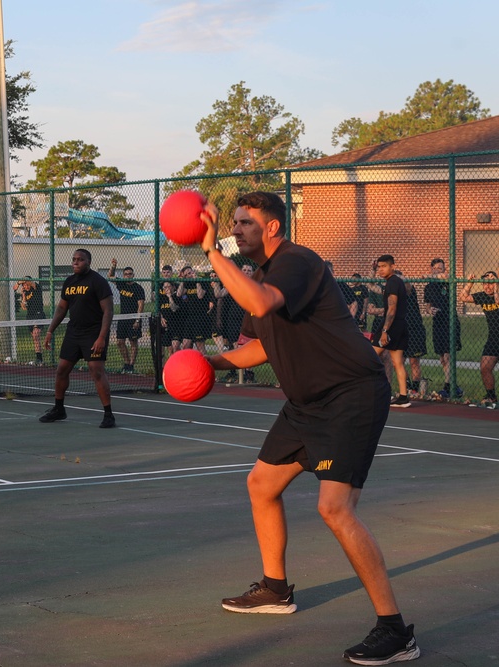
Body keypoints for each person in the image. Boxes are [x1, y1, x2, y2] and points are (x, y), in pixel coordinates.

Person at [200, 192, 419, 665]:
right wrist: (207, 365)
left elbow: (259, 300)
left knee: (335, 509)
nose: (236, 230)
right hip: (305, 403)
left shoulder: (296, 261)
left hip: (350, 394)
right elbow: (259, 348)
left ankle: (395, 631)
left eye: (245, 223)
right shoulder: (257, 276)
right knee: (261, 484)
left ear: (273, 227)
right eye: (233, 223)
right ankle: (275, 589)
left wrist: (212, 252)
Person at [39, 248, 116, 428]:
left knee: (96, 371)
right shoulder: (69, 282)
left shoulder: (98, 282)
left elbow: (108, 311)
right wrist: (50, 330)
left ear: (88, 262)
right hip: (73, 332)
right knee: (61, 370)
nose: (75, 262)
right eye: (74, 259)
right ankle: (59, 409)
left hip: (93, 333)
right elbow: (61, 309)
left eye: (80, 259)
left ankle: (108, 414)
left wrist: (102, 337)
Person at [371, 256, 411, 407]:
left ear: (392, 267)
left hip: (392, 326)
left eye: (384, 266)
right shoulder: (396, 282)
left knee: (369, 357)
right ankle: (403, 397)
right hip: (400, 325)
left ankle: (369, 391)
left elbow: (392, 309)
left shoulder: (393, 283)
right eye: (379, 267)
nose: (380, 269)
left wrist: (385, 330)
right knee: (397, 363)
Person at [458, 271, 499, 409]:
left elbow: (498, 300)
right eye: (485, 284)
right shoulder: (482, 296)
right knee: (485, 368)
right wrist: (470, 283)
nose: (487, 287)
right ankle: (491, 396)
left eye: (491, 284)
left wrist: (497, 284)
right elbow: (463, 297)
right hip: (494, 338)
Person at [424, 258, 462, 398]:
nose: (440, 271)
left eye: (442, 268)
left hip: (450, 322)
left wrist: (432, 275)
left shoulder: (447, 282)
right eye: (437, 268)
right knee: (442, 357)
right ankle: (453, 386)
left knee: (448, 355)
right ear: (432, 268)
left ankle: (448, 386)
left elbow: (445, 276)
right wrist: (430, 310)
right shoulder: (428, 286)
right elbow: (427, 305)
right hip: (438, 323)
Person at [108, 258, 146, 373]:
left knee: (133, 342)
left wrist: (137, 321)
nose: (128, 276)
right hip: (122, 318)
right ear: (123, 276)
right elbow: (109, 276)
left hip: (134, 319)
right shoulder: (121, 284)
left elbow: (141, 305)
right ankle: (126, 363)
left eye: (130, 274)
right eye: (126, 274)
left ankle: (131, 366)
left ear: (133, 275)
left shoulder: (138, 288)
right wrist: (114, 266)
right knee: (119, 341)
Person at [396, 271, 427, 397]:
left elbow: (408, 286)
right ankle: (407, 386)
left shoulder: (409, 289)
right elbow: (372, 287)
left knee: (414, 361)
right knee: (398, 361)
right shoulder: (392, 293)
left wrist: (401, 278)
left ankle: (414, 389)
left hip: (415, 329)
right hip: (400, 330)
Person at [17, 276, 46, 365]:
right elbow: (24, 307)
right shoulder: (26, 292)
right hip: (30, 317)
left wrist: (17, 283)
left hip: (38, 314)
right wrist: (23, 295)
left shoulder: (36, 287)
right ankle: (39, 358)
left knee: (36, 334)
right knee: (35, 338)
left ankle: (39, 358)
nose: (25, 286)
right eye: (23, 285)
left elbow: (29, 281)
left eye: (25, 284)